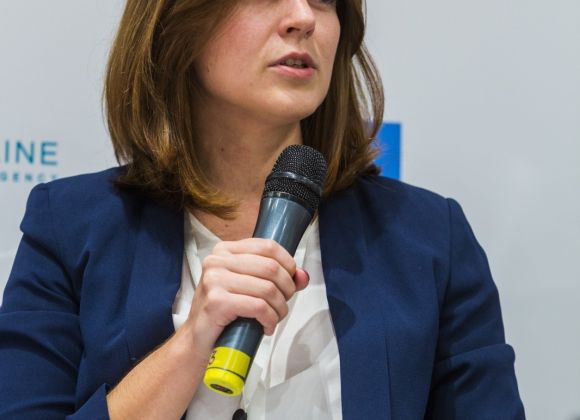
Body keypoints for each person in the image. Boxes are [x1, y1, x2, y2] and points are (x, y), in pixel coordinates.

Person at [0, 0, 525, 419]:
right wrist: (190, 345)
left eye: (324, 0)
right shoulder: (69, 225)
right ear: (179, 22)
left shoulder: (429, 238)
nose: (302, 17)